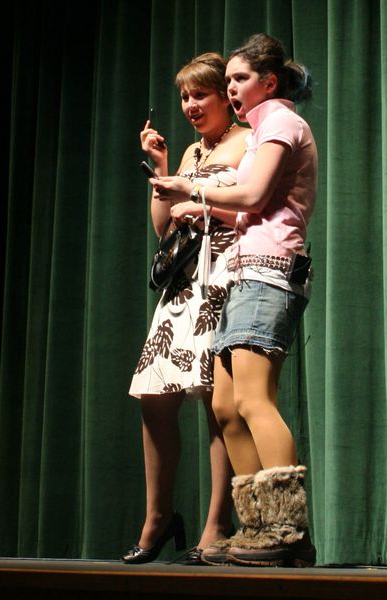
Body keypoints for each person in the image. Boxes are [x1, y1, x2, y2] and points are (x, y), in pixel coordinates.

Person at [150, 33, 318, 567]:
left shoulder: (282, 125)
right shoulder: (267, 127)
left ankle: (289, 532)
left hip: (271, 272)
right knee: (224, 405)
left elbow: (249, 196)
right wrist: (193, 205)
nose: (231, 88)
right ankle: (257, 529)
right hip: (247, 271)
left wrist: (190, 191)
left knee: (251, 400)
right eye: (229, 82)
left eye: (239, 80)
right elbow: (244, 211)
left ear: (269, 82)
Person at [122, 53, 250, 565]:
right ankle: (159, 516)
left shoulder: (247, 142)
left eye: (201, 94)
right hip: (182, 286)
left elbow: (252, 203)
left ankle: (217, 524)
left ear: (226, 97)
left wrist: (195, 198)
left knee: (218, 403)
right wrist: (162, 165)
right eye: (184, 97)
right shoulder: (194, 151)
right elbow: (163, 229)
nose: (191, 105)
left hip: (225, 274)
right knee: (154, 396)